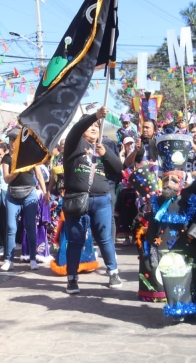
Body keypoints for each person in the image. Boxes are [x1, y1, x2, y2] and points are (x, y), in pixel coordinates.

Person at [143, 134, 196, 321]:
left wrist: (193, 233)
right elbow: (154, 224)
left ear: (181, 182)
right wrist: (151, 244)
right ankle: (176, 308)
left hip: (188, 245)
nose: (168, 184)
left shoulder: (190, 200)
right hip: (166, 245)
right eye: (166, 180)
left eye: (173, 180)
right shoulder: (157, 202)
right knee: (171, 275)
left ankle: (192, 305)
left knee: (191, 274)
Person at [62, 107, 123, 293]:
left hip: (102, 201)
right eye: (91, 126)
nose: (94, 128)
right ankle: (72, 278)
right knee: (75, 241)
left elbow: (119, 168)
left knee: (105, 239)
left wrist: (106, 154)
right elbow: (74, 131)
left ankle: (113, 272)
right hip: (78, 201)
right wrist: (94, 116)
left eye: (97, 126)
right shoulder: (74, 145)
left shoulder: (103, 146)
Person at [1, 129, 47, 272]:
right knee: (11, 228)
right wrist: (17, 171)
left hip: (29, 193)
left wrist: (45, 193)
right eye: (10, 139)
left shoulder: (31, 156)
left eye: (15, 139)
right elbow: (6, 178)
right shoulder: (7, 158)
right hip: (12, 194)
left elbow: (39, 175)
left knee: (30, 226)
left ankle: (33, 258)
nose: (12, 142)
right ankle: (9, 260)